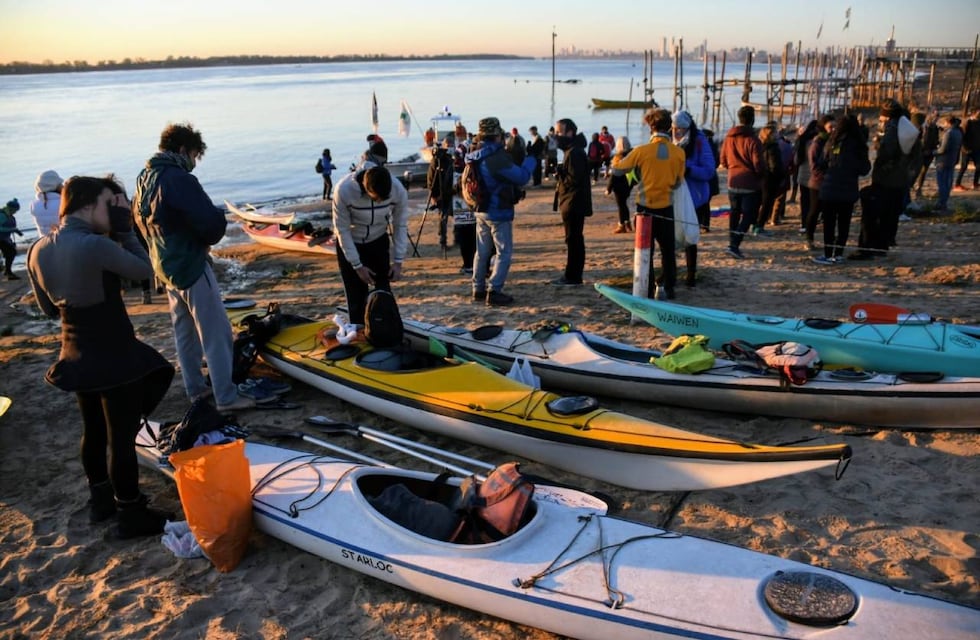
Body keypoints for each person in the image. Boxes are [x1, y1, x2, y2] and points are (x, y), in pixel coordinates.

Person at [28, 175, 175, 538]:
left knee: (93, 432)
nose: (116, 212)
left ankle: (101, 502)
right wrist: (126, 234)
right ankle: (131, 512)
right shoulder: (94, 244)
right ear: (90, 204)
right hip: (114, 351)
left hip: (75, 350)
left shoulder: (36, 250)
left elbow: (48, 310)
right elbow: (145, 271)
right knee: (121, 437)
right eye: (112, 204)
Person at [133, 122, 253, 413]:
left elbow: (137, 222)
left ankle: (195, 390)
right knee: (216, 332)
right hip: (189, 264)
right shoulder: (178, 178)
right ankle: (226, 396)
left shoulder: (144, 176)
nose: (194, 163)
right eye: (196, 156)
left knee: (184, 332)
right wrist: (219, 217)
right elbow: (210, 225)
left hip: (164, 266)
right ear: (185, 149)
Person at [612, 108, 685, 298]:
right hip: (666, 207)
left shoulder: (641, 151)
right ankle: (669, 286)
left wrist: (622, 160)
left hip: (645, 209)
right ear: (670, 127)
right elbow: (678, 182)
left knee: (645, 252)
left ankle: (647, 287)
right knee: (668, 251)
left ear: (650, 127)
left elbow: (618, 170)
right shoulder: (678, 153)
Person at [466, 116, 536, 306]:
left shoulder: (474, 153)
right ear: (497, 136)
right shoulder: (496, 158)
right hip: (497, 210)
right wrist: (532, 159)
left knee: (481, 252)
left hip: (480, 208)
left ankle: (477, 289)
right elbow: (521, 177)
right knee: (503, 252)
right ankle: (494, 291)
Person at [333, 161, 409, 323]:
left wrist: (398, 261)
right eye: (377, 199)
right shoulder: (343, 191)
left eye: (385, 199)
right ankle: (359, 329)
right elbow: (342, 230)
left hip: (378, 240)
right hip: (352, 242)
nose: (381, 202)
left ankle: (387, 328)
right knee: (356, 297)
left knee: (383, 292)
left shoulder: (398, 190)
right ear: (367, 190)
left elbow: (400, 224)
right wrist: (357, 266)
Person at [853, 100, 911, 258]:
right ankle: (882, 245)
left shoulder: (892, 130)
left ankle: (869, 247)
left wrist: (878, 145)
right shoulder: (904, 127)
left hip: (886, 179)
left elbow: (888, 153)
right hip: (898, 180)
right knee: (889, 214)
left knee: (874, 214)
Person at [812, 114, 871, 264]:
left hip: (829, 189)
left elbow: (821, 163)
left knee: (829, 224)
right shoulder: (859, 145)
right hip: (848, 190)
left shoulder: (832, 142)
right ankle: (838, 254)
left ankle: (827, 254)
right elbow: (865, 169)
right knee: (844, 224)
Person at [671, 110, 715, 286]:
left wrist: (688, 169)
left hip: (695, 196)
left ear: (687, 127)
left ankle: (691, 274)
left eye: (680, 128)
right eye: (674, 128)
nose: (676, 132)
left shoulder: (699, 141)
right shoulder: (670, 142)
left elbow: (709, 170)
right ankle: (670, 272)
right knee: (671, 236)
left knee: (690, 236)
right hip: (673, 195)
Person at [719, 105, 765, 259]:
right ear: (752, 120)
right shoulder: (753, 140)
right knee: (749, 215)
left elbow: (723, 160)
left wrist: (732, 167)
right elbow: (758, 164)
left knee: (734, 212)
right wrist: (760, 175)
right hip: (750, 183)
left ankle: (732, 242)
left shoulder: (729, 138)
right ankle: (734, 244)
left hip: (733, 180)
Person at [552, 118, 593, 286]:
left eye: (559, 132)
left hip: (574, 202)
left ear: (570, 132)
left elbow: (574, 179)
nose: (556, 136)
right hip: (572, 200)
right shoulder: (573, 150)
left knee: (574, 239)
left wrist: (561, 174)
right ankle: (572, 275)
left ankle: (573, 276)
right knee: (573, 239)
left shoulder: (575, 152)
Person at [804, 115, 834, 252]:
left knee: (828, 213)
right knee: (814, 212)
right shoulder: (817, 143)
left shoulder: (834, 141)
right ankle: (809, 239)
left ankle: (829, 242)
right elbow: (814, 166)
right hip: (817, 184)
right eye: (830, 127)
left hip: (831, 183)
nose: (833, 129)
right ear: (823, 127)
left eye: (834, 127)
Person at [426, 138, 456, 250]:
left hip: (451, 191)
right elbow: (430, 179)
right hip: (440, 194)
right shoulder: (436, 161)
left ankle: (456, 238)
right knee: (443, 217)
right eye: (448, 145)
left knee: (454, 214)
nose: (449, 147)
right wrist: (433, 195)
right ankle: (443, 241)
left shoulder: (449, 159)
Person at [934, 115, 963, 213]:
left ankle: (942, 203)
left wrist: (934, 152)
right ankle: (944, 202)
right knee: (948, 182)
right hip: (952, 160)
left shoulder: (949, 133)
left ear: (948, 122)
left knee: (942, 183)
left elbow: (942, 149)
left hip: (943, 160)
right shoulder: (958, 132)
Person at [605, 136, 634, 234]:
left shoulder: (617, 158)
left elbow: (614, 174)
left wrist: (608, 188)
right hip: (628, 184)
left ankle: (622, 225)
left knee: (621, 206)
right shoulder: (632, 155)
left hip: (618, 185)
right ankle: (627, 222)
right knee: (624, 205)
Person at [30, 170, 64, 237]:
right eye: (60, 184)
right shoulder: (63, 203)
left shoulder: (34, 205)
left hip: (44, 242)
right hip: (63, 241)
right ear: (56, 185)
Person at [913, 111, 939, 198]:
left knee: (923, 172)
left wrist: (934, 149)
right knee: (915, 171)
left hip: (929, 153)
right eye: (934, 117)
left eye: (937, 118)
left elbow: (936, 140)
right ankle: (911, 186)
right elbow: (917, 140)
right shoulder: (922, 128)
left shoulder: (935, 128)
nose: (936, 119)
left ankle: (919, 189)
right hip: (920, 153)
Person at [954, 109, 980, 191]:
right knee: (963, 167)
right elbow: (962, 135)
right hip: (967, 149)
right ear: (974, 113)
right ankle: (957, 184)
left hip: (977, 149)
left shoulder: (979, 123)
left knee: (979, 166)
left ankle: (975, 183)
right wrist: (964, 148)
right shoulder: (967, 122)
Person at [1, 199, 23, 279]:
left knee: (10, 253)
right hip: (1, 239)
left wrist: (17, 231)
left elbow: (10, 227)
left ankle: (7, 271)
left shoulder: (8, 214)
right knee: (11, 252)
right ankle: (8, 272)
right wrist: (12, 229)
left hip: (4, 238)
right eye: (15, 210)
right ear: (11, 208)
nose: (16, 212)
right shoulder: (2, 215)